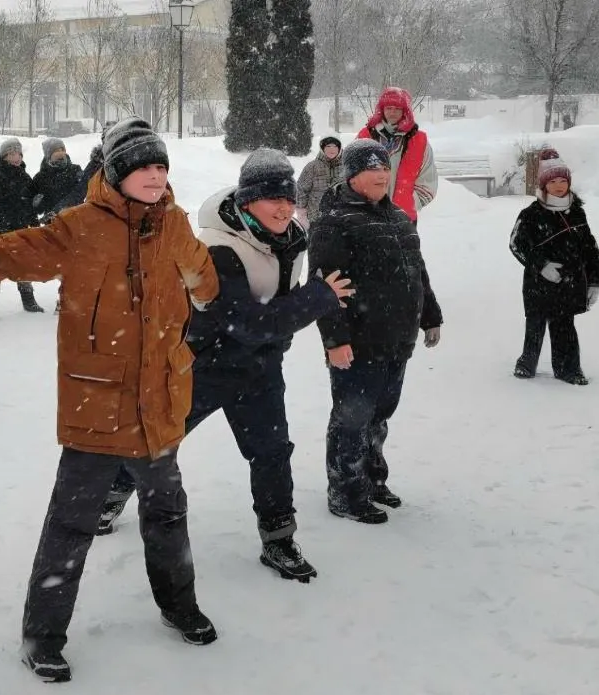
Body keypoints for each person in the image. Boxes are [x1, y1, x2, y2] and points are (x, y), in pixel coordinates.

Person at [0, 117, 221, 682]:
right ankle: (42, 635)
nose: (155, 174)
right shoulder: (80, 227)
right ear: (117, 173)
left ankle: (178, 605)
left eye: (162, 165)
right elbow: (9, 252)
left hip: (162, 400)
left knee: (167, 513)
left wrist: (200, 286)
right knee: (72, 522)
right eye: (144, 165)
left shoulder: (174, 226)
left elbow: (205, 278)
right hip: (100, 402)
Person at [93, 149, 354, 582]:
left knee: (272, 453)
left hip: (260, 370)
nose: (283, 206)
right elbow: (247, 323)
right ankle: (114, 492)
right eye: (272, 197)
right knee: (159, 441)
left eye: (288, 197)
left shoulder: (289, 238)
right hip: (201, 366)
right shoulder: (217, 248)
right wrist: (317, 298)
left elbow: (277, 311)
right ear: (247, 200)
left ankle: (279, 538)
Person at [308, 139, 443, 524]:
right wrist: (335, 340)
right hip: (357, 342)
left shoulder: (398, 217)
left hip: (397, 340)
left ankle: (371, 479)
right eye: (372, 168)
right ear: (352, 175)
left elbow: (417, 270)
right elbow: (322, 286)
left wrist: (430, 315)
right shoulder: (333, 221)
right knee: (352, 418)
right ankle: (346, 492)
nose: (382, 174)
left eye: (385, 167)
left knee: (379, 416)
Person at [509, 148, 599, 384]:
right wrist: (541, 266)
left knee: (564, 326)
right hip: (538, 283)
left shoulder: (577, 213)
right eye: (553, 181)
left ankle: (568, 369)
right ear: (544, 185)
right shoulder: (531, 214)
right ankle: (527, 363)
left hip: (568, 283)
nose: (559, 185)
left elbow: (590, 248)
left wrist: (595, 281)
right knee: (536, 324)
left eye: (563, 180)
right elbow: (516, 244)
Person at [0, 138, 45, 319]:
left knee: (23, 265)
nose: (15, 157)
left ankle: (28, 299)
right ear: (4, 156)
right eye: (11, 154)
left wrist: (34, 226)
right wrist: (6, 225)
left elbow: (31, 207)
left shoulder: (26, 178)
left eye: (18, 153)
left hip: (20, 230)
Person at [357, 87, 437, 223]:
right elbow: (350, 174)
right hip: (369, 217)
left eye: (397, 108)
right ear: (382, 110)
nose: (392, 112)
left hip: (404, 219)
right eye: (388, 108)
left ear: (405, 111)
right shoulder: (366, 136)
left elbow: (428, 179)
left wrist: (410, 202)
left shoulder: (418, 140)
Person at [31, 137, 84, 222]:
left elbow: (82, 193)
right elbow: (39, 209)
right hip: (53, 224)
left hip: (76, 220)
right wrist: (37, 204)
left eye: (62, 149)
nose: (60, 153)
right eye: (56, 151)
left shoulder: (75, 170)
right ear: (49, 155)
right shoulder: (40, 177)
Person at [295, 136, 343, 225]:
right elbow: (301, 189)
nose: (331, 149)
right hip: (315, 217)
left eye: (335, 146)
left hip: (340, 217)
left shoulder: (346, 167)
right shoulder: (312, 167)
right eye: (328, 146)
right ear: (322, 148)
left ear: (339, 148)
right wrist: (302, 213)